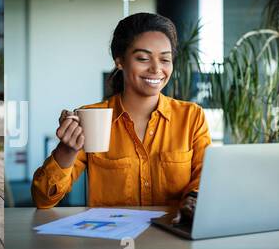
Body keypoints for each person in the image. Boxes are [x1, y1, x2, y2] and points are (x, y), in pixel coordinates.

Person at [31, 12, 210, 210]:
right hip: (111, 237)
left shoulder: (192, 117)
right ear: (120, 61)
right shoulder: (90, 118)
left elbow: (205, 179)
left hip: (174, 235)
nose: (156, 68)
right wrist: (67, 149)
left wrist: (193, 200)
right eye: (143, 58)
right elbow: (43, 200)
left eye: (165, 60)